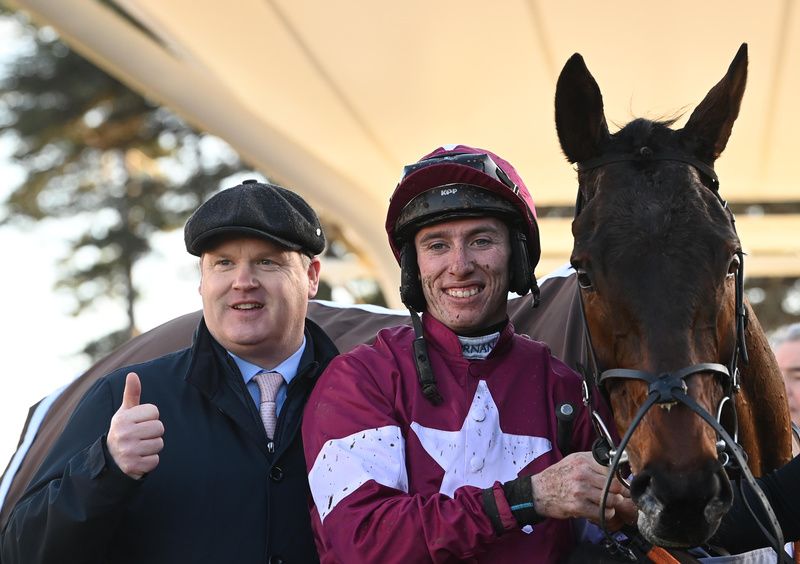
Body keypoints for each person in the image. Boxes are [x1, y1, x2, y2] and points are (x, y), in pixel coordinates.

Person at [302, 145, 632, 563]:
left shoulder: (564, 388)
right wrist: (526, 498)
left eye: (480, 240)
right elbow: (365, 543)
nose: (459, 265)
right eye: (437, 245)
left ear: (517, 256)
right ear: (413, 268)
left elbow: (636, 513)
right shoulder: (360, 379)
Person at [0, 179, 338, 563]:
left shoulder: (366, 395)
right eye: (223, 263)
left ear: (311, 276)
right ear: (202, 281)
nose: (243, 282)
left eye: (266, 261)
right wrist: (105, 467)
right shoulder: (124, 398)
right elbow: (19, 552)